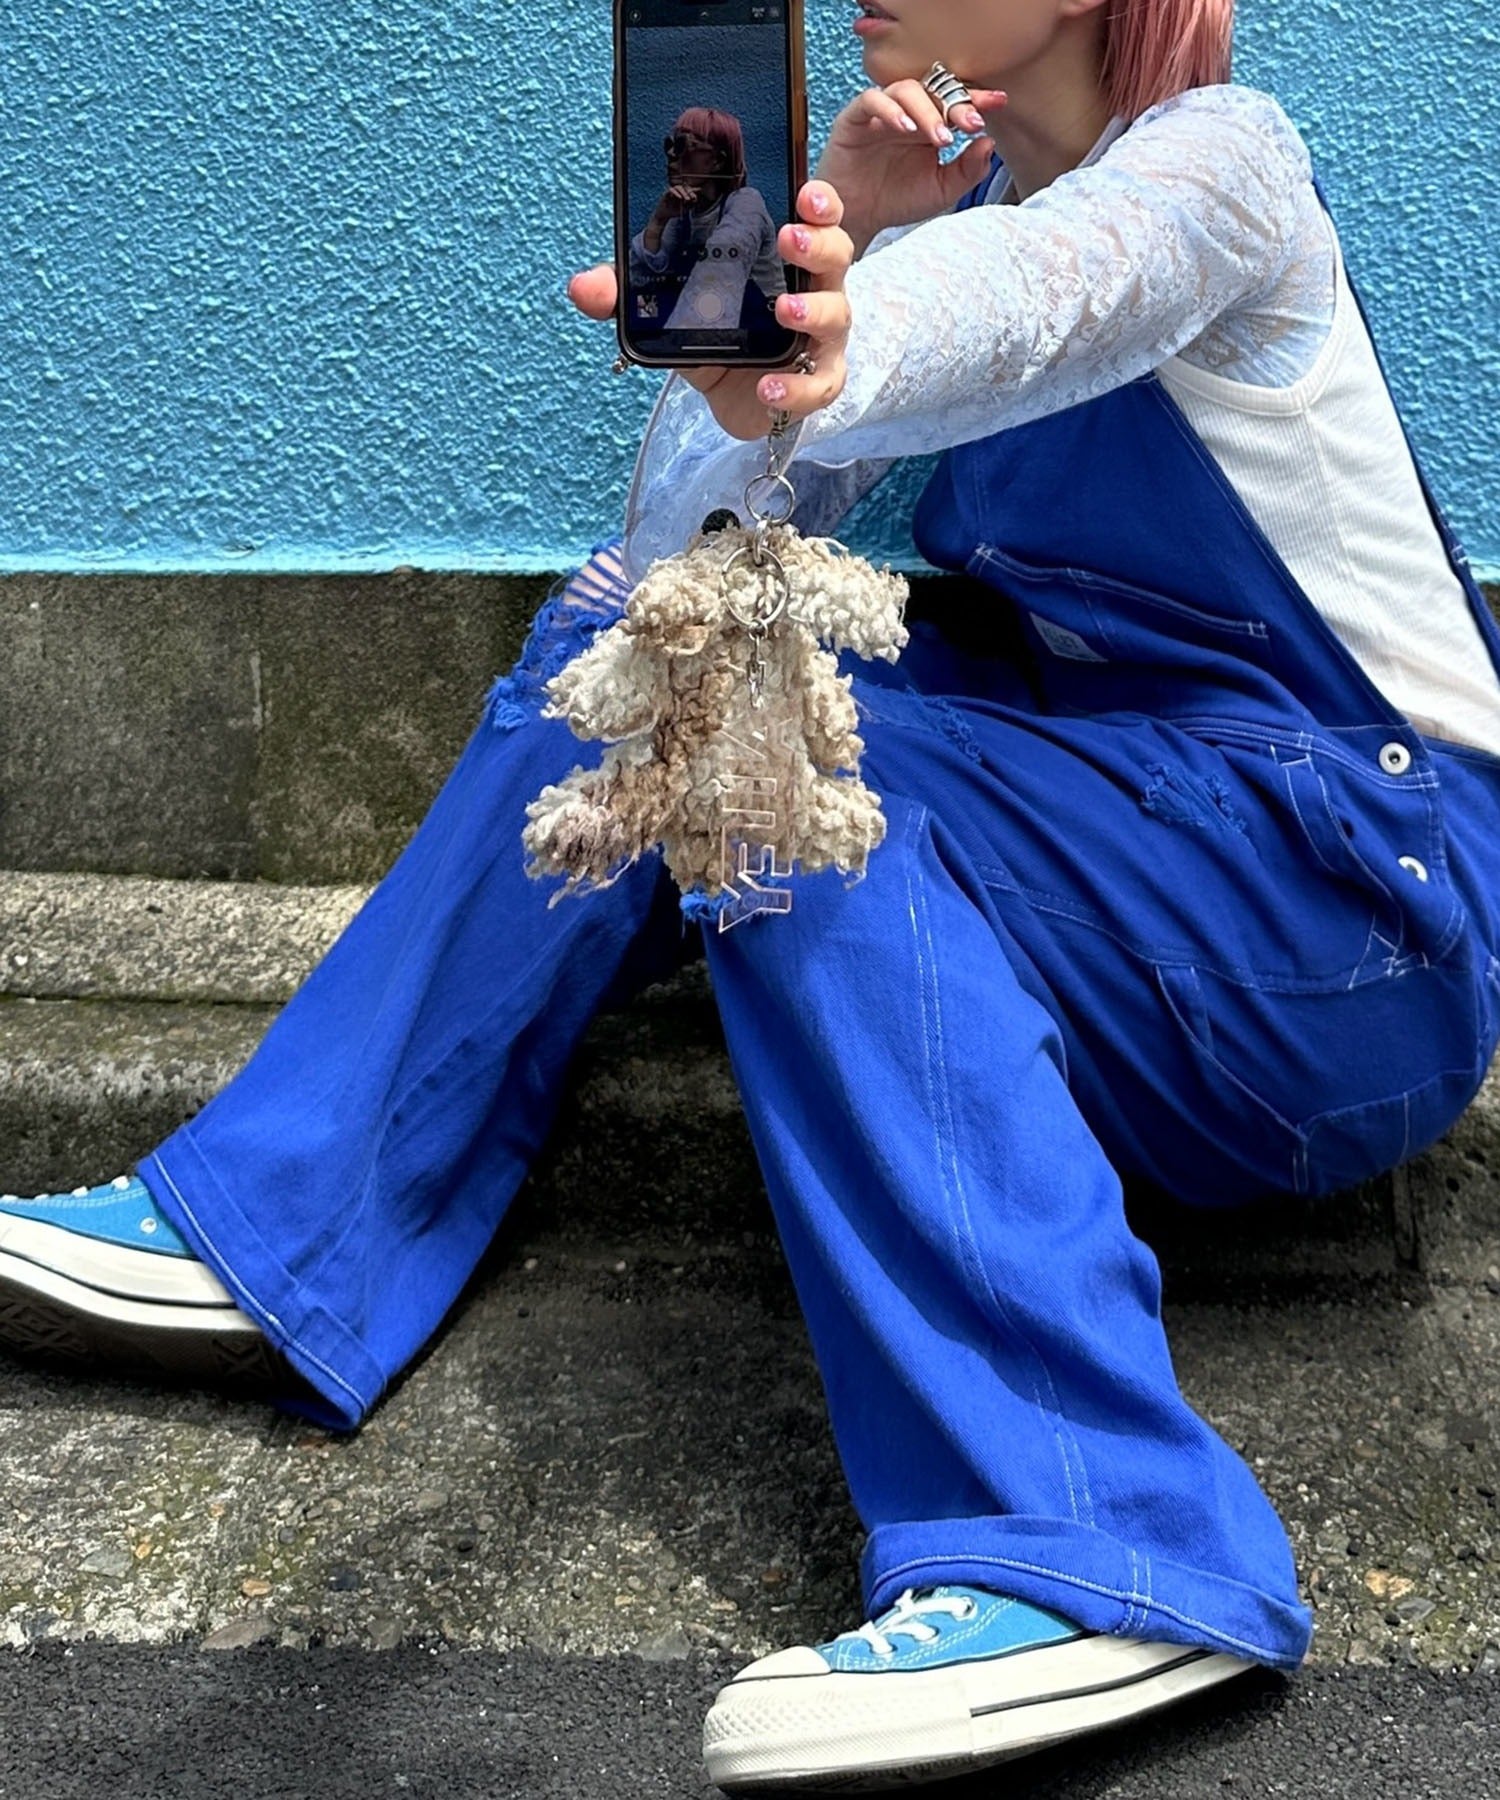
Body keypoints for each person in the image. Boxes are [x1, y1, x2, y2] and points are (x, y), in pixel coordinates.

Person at [1, 0, 1497, 1788]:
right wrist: (836, 264)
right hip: (1143, 879)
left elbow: (1061, 292)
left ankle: (1101, 1542)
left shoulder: (1221, 166)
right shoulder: (965, 210)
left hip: (1356, 918)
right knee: (655, 648)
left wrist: (860, 324)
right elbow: (673, 560)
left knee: (775, 737)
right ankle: (287, 1229)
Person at [627, 106, 786, 336]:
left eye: (682, 144)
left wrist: (675, 342)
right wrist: (658, 222)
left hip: (761, 334)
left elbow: (718, 275)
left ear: (717, 161)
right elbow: (639, 283)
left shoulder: (747, 204)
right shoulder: (684, 215)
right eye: (669, 144)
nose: (671, 154)